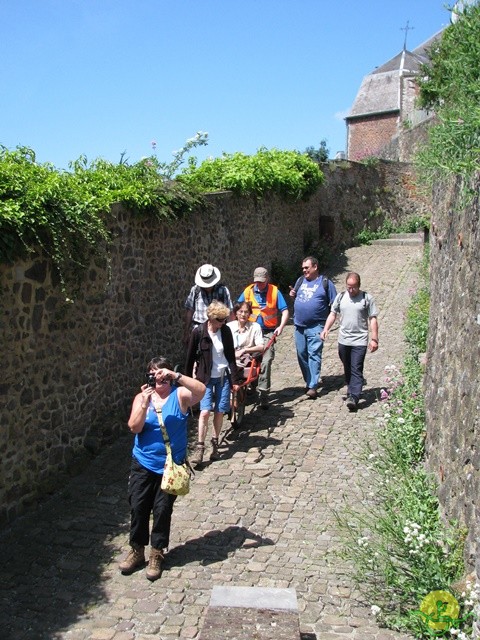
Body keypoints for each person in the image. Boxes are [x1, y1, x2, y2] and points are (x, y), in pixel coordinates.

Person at [119, 356, 206, 581]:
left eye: (163, 373)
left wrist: (176, 375)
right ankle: (137, 550)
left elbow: (201, 391)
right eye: (154, 373)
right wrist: (144, 404)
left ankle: (157, 553)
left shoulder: (180, 395)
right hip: (143, 463)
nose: (159, 378)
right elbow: (134, 427)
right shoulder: (141, 397)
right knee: (138, 507)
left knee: (162, 510)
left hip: (171, 466)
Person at [185, 301, 243, 465]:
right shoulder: (198, 332)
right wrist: (188, 381)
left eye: (224, 319)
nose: (223, 322)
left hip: (223, 377)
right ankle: (200, 447)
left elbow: (231, 356)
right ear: (210, 318)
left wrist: (235, 381)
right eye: (220, 319)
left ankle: (215, 443)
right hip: (205, 379)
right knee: (204, 412)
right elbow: (189, 359)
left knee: (219, 411)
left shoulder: (225, 331)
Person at [320, 272, 379, 412]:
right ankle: (351, 387)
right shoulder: (340, 297)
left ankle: (354, 396)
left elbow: (373, 319)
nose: (351, 290)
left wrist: (374, 339)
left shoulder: (367, 298)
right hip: (344, 340)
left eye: (354, 287)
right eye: (349, 287)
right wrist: (326, 329)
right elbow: (333, 313)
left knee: (356, 367)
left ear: (359, 286)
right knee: (347, 366)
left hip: (359, 340)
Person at [238, 267, 289, 408]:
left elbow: (284, 311)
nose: (258, 284)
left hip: (268, 332)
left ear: (267, 279)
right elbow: (238, 309)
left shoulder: (275, 292)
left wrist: (281, 326)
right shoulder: (248, 291)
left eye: (261, 282)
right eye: (256, 282)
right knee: (249, 359)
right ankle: (250, 386)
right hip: (251, 330)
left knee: (265, 361)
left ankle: (263, 394)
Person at [289, 256, 337, 399]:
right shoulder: (300, 281)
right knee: (301, 354)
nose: (304, 270)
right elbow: (297, 298)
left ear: (315, 267)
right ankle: (309, 380)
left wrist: (327, 326)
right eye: (303, 268)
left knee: (314, 354)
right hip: (299, 325)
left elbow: (335, 305)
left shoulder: (325, 283)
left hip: (316, 325)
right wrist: (292, 295)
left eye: (307, 267)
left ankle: (313, 385)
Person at [183, 263, 234, 344]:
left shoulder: (222, 290)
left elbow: (229, 312)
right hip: (199, 329)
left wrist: (231, 333)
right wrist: (186, 332)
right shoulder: (195, 290)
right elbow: (190, 311)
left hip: (218, 329)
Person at [227, 301, 264, 369]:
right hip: (230, 357)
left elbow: (261, 347)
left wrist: (244, 350)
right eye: (241, 311)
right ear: (236, 313)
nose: (243, 314)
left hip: (246, 358)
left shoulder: (255, 327)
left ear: (249, 314)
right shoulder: (229, 326)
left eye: (246, 312)